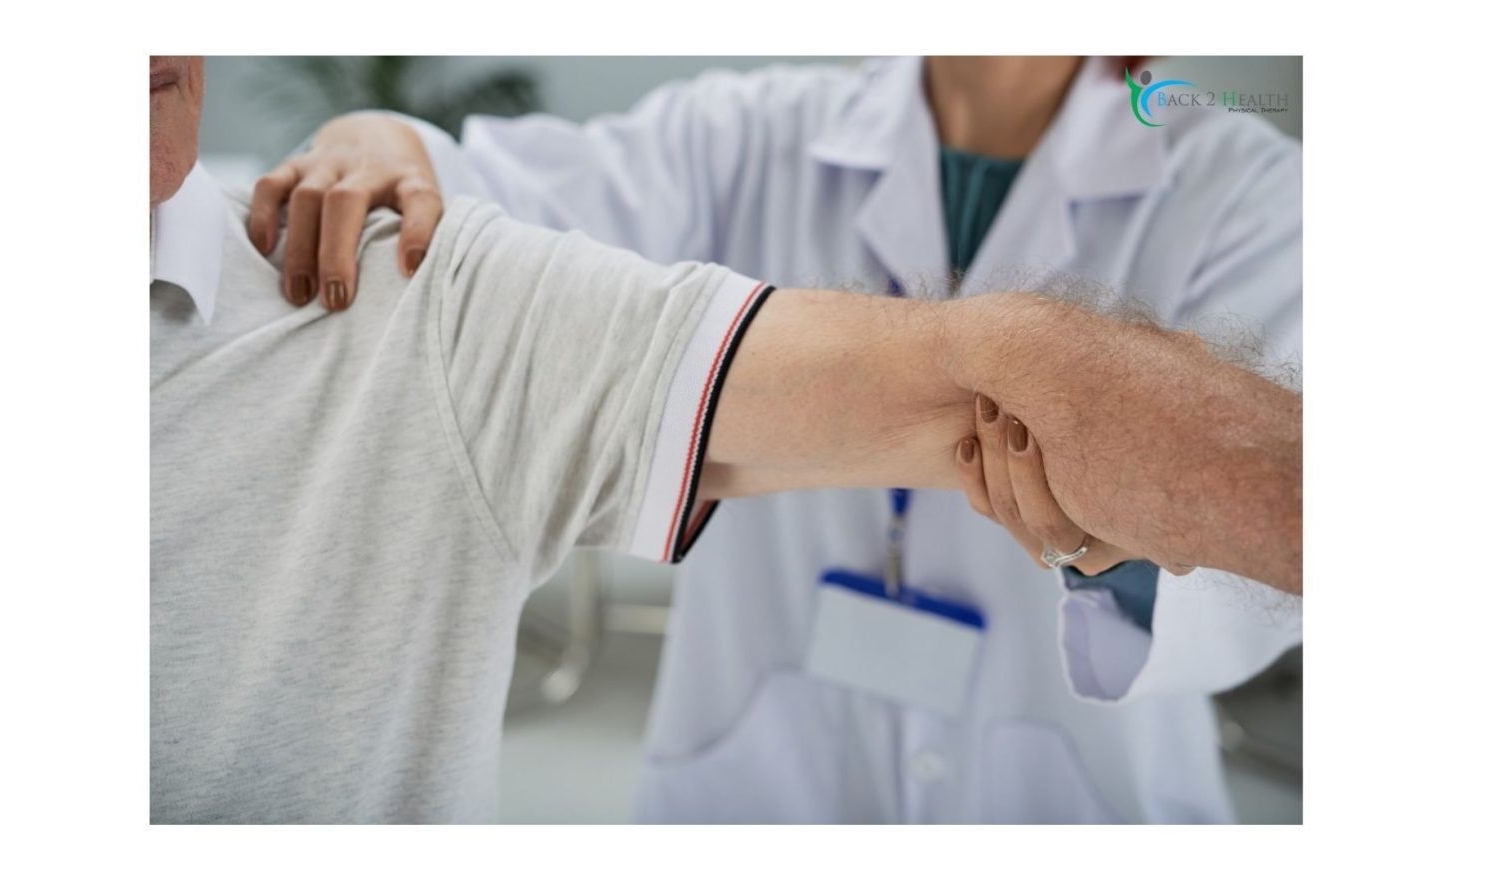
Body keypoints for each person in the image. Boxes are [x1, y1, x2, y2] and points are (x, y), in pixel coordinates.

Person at [153, 54, 1300, 822]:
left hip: (1077, 792)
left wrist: (1134, 541)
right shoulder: (743, 130)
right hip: (755, 782)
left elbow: (1283, 507)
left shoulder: (1241, 181)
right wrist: (384, 134)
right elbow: (468, 230)